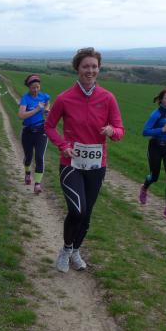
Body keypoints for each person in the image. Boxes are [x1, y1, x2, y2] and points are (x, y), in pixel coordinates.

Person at [45, 48, 124, 272]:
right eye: (85, 66)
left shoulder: (107, 98)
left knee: (86, 214)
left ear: (99, 68)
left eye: (94, 66)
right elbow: (49, 126)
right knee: (77, 211)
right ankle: (66, 250)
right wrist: (63, 146)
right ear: (77, 69)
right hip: (71, 164)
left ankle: (76, 250)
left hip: (96, 165)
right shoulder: (65, 98)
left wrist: (112, 131)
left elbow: (120, 130)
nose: (90, 71)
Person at [139, 88, 166, 220]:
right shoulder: (156, 114)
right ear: (161, 100)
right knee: (154, 176)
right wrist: (161, 129)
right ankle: (144, 187)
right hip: (155, 147)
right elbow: (145, 131)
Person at [18, 73, 51, 194]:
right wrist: (37, 109)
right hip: (28, 131)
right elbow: (21, 115)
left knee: (39, 157)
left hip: (41, 131)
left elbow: (47, 102)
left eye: (38, 87)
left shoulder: (44, 96)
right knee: (28, 157)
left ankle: (37, 184)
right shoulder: (25, 99)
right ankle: (27, 173)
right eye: (33, 87)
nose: (36, 90)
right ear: (29, 87)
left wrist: (46, 109)